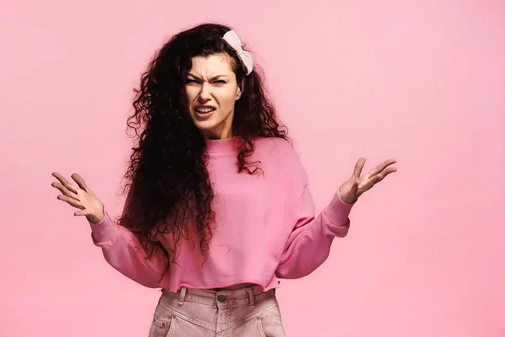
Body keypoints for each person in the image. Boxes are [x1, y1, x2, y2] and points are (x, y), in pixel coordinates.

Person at [51, 23, 396, 336]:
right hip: (182, 317)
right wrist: (101, 222)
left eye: (218, 81)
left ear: (240, 88)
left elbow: (292, 260)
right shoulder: (162, 162)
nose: (204, 94)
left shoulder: (277, 156)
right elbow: (150, 267)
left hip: (255, 316)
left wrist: (341, 203)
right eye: (193, 80)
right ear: (179, 89)